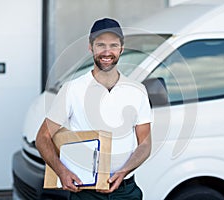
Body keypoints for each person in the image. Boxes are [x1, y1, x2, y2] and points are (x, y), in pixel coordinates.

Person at [35, 18, 152, 200]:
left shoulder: (137, 91)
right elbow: (42, 138)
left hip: (125, 191)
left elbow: (145, 144)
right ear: (91, 47)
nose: (107, 51)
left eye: (113, 45)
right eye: (100, 45)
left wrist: (123, 171)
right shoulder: (72, 89)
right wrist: (61, 172)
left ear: (121, 48)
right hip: (86, 192)